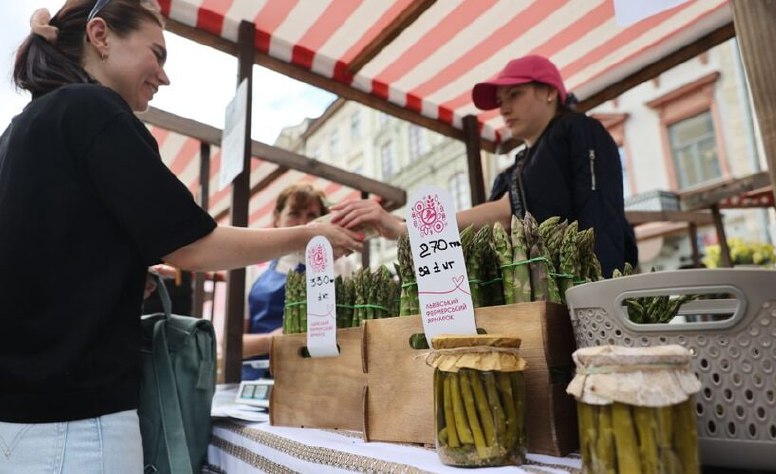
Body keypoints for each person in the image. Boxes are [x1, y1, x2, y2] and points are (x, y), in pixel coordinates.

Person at [0, 2, 362, 473]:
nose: (164, 77)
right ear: (100, 35)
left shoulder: (20, 130)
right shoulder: (93, 108)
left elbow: (46, 257)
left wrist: (123, 271)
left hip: (19, 421)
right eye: (158, 54)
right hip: (77, 425)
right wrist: (310, 235)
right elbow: (192, 243)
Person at [331, 55, 637, 277]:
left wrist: (404, 228)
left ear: (549, 92)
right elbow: (491, 227)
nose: (503, 107)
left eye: (514, 94)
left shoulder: (572, 131)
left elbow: (507, 215)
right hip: (554, 292)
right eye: (501, 99)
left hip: (593, 288)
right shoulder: (520, 163)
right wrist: (401, 224)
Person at [241, 184, 327, 380]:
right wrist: (272, 340)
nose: (303, 223)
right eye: (294, 213)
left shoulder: (340, 266)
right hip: (258, 378)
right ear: (277, 219)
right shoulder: (253, 268)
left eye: (312, 215)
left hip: (319, 378)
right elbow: (230, 343)